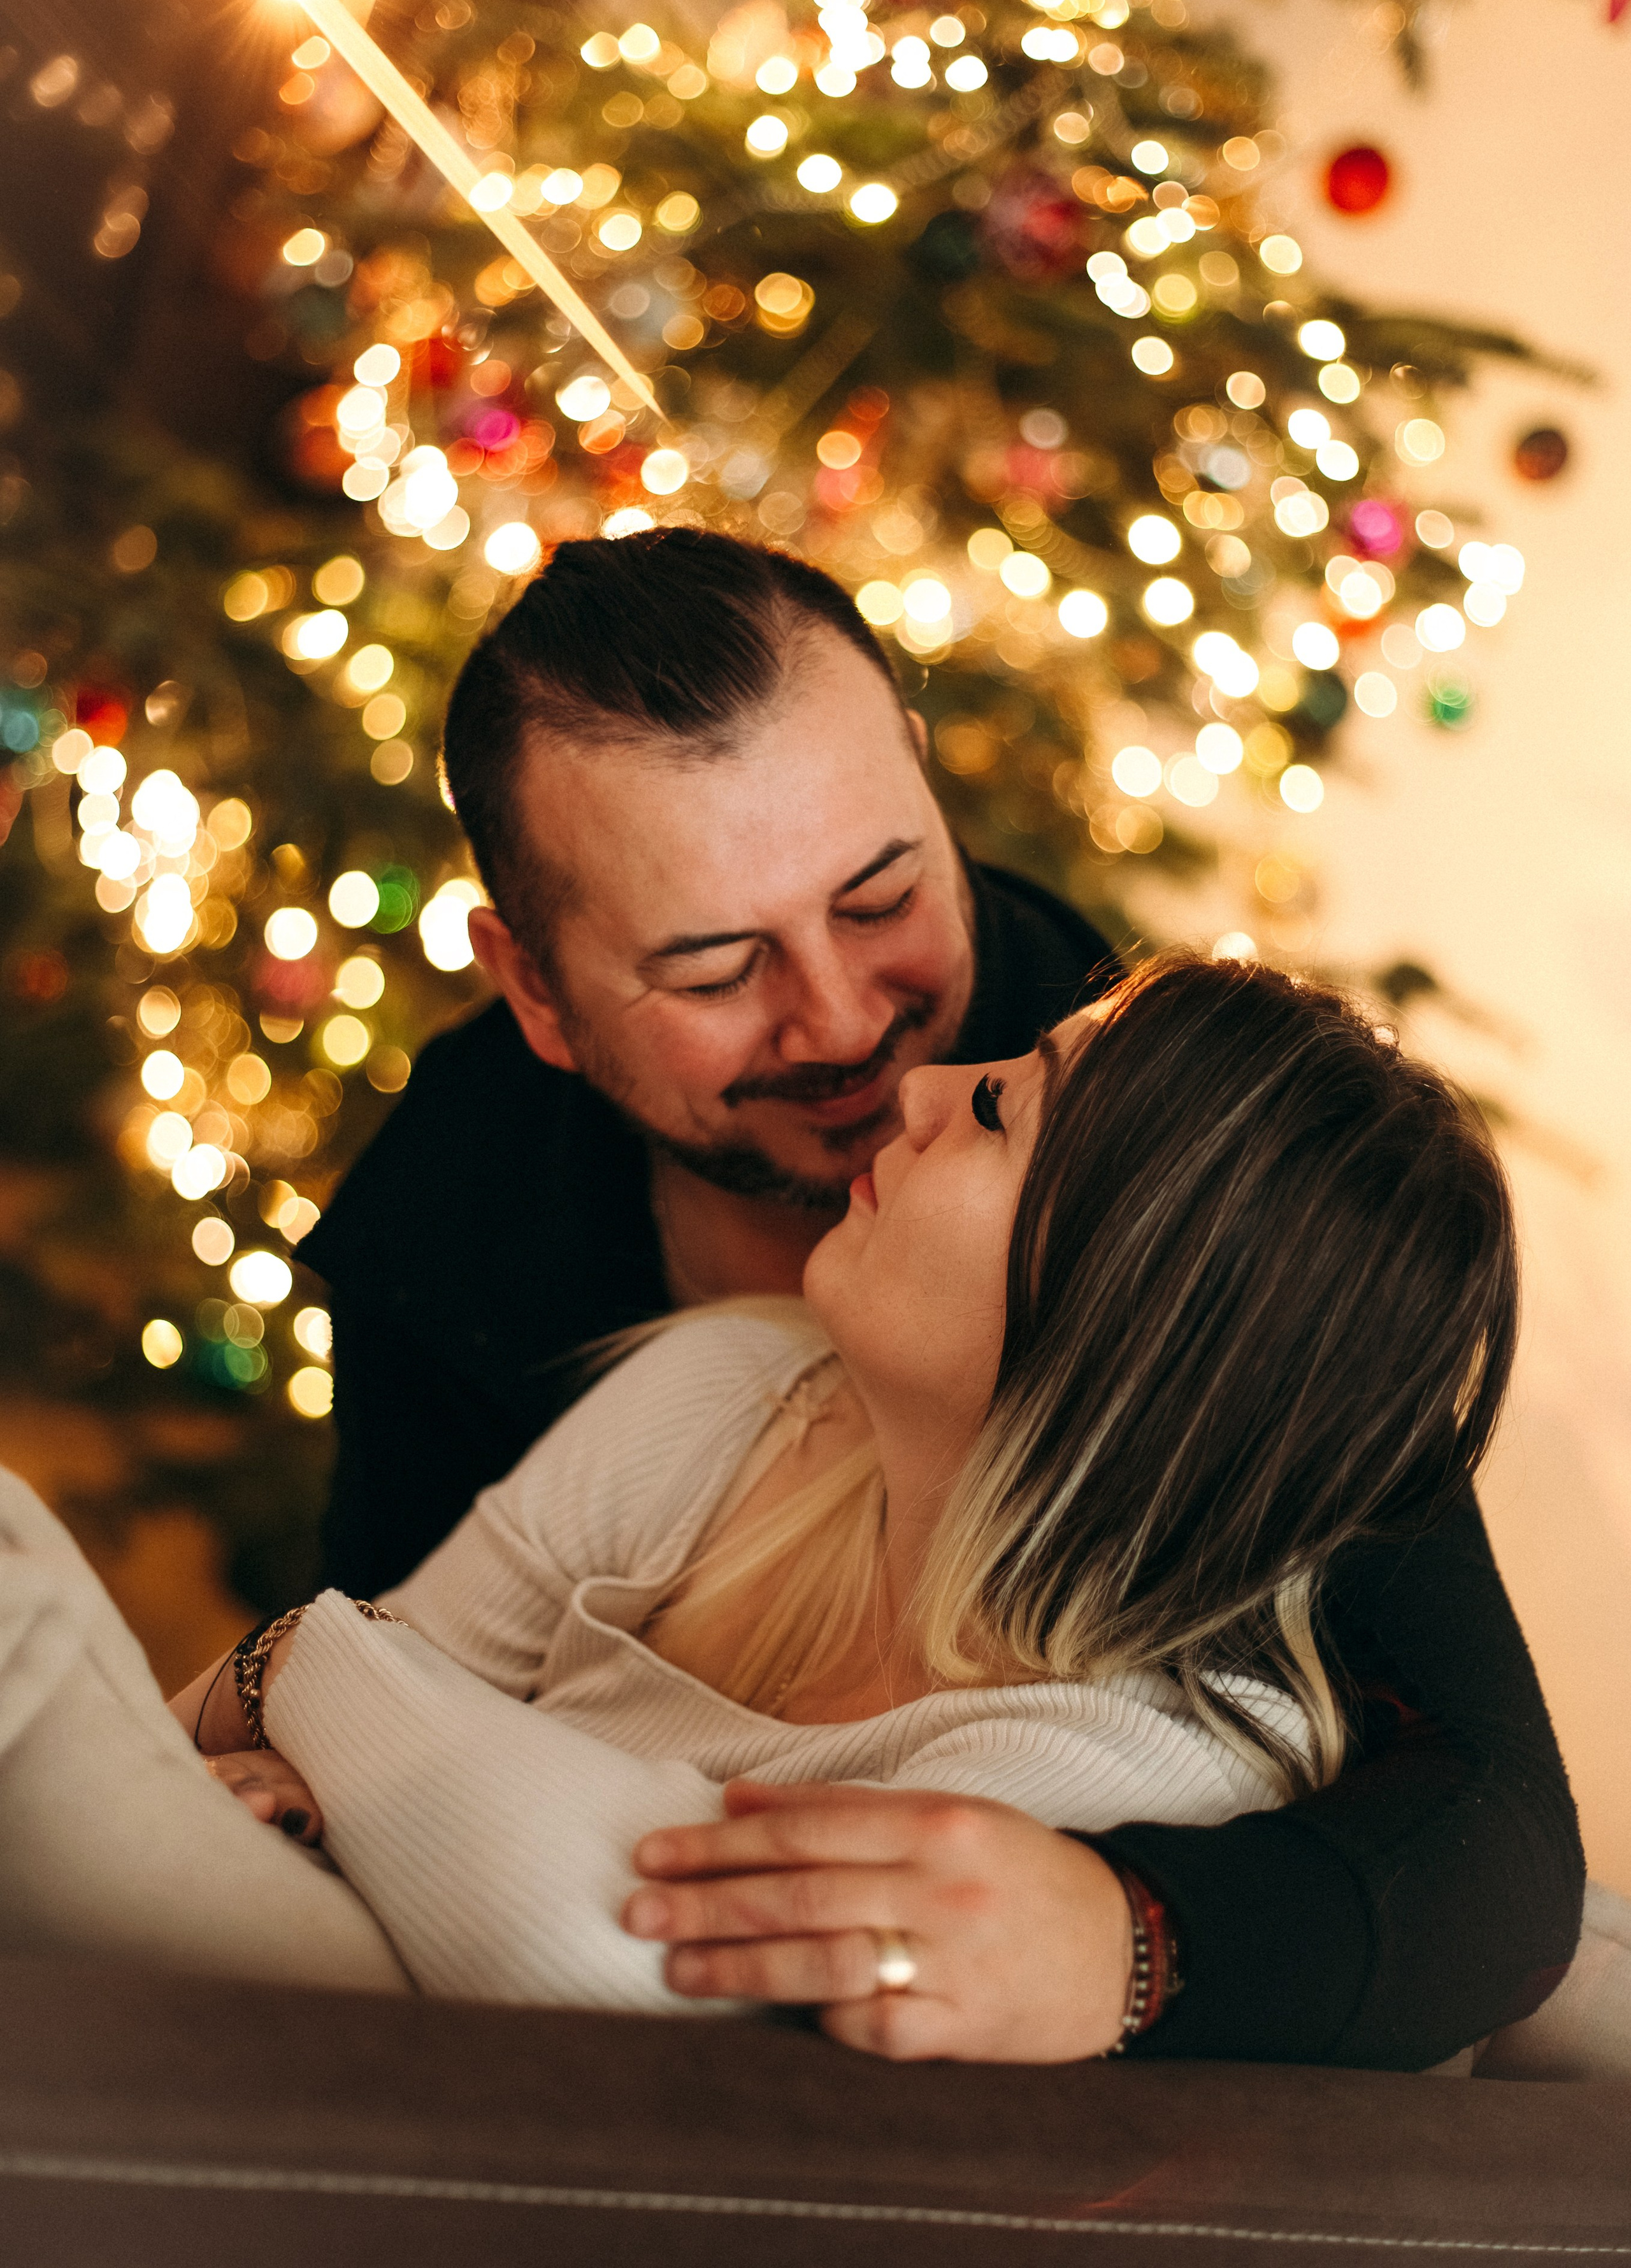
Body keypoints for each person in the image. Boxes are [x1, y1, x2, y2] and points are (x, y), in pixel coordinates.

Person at [298, 529, 1583, 2067]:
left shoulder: (1150, 1150)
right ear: (537, 991)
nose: (852, 1030)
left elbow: (1497, 1838)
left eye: (879, 891)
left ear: (920, 782)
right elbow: (378, 1680)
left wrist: (1123, 1935)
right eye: (713, 972)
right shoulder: (454, 1209)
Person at [189, 958, 1522, 2062]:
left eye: (1000, 1112)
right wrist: (341, 1735)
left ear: (1126, 1327)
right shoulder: (735, 1388)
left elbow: (579, 1941)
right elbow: (249, 1752)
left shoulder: (1138, 1777)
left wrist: (305, 1663)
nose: (924, 1087)